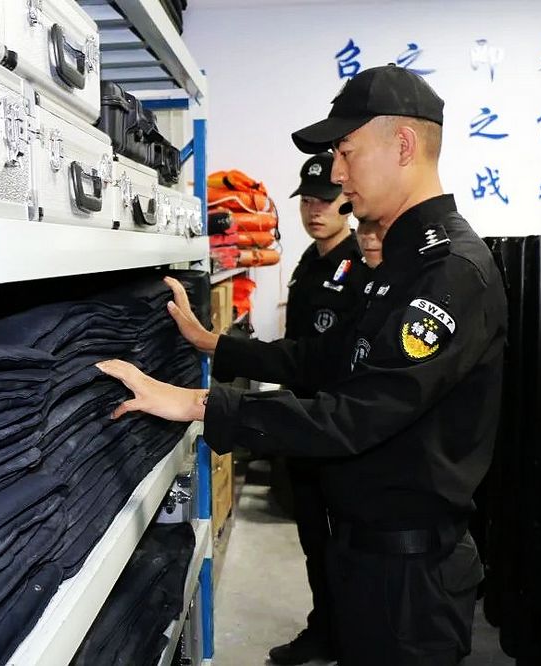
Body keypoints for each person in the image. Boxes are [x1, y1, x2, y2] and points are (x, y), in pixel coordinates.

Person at [97, 64, 508, 665]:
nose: (336, 173)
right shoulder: (398, 263)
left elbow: (354, 415)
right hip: (368, 556)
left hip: (410, 581)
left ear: (402, 145)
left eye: (346, 151)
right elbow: (325, 360)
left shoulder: (447, 273)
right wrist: (216, 346)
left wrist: (198, 403)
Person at [268, 151, 378, 665]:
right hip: (303, 419)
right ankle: (325, 631)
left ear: (346, 204)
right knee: (314, 537)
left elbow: (329, 355)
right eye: (307, 201)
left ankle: (347, 635)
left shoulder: (359, 266)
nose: (315, 211)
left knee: (340, 544)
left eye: (326, 201)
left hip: (335, 426)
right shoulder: (310, 263)